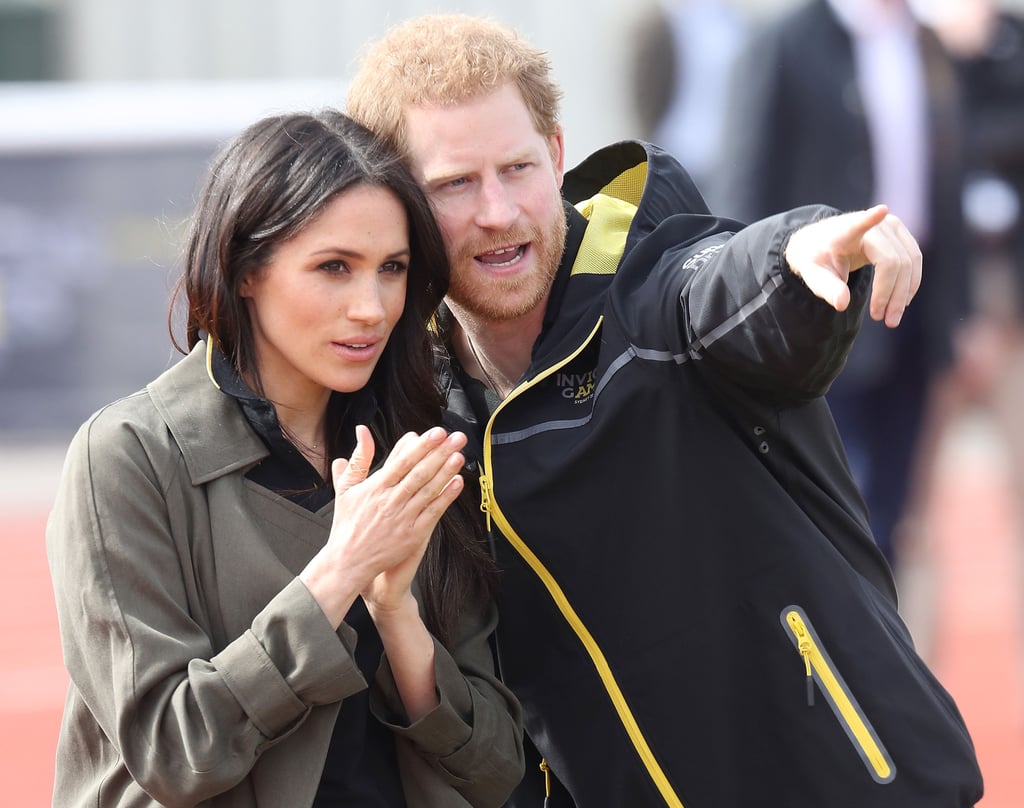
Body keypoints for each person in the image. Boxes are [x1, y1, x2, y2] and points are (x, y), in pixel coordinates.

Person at [346, 13, 983, 808]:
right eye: (454, 185)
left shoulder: (653, 292)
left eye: (516, 168)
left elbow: (723, 286)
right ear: (399, 201)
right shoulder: (424, 409)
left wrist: (801, 251)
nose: (499, 211)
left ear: (555, 154)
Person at [44, 110, 524, 807]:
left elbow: (494, 769)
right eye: (334, 267)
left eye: (392, 269)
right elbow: (175, 754)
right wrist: (339, 572)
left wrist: (396, 617)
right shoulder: (128, 457)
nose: (371, 307)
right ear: (244, 270)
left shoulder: (422, 451)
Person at [714, 0, 971, 573]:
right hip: (820, 314)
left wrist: (962, 312)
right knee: (835, 516)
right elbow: (742, 195)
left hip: (915, 310)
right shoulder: (785, 43)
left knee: (895, 513)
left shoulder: (926, 43)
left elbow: (946, 181)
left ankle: (880, 656)